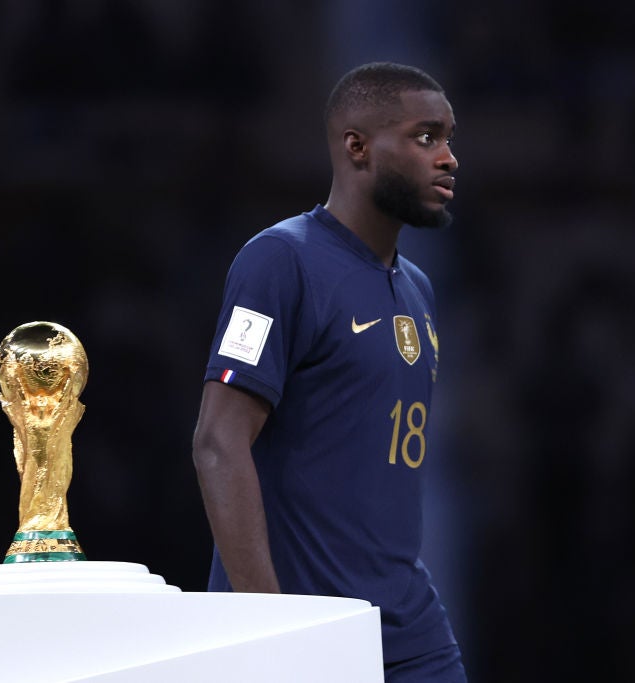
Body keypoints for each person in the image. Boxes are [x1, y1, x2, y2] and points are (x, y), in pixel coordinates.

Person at [192, 62, 466, 682]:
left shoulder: (418, 289)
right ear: (357, 146)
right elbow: (217, 442)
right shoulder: (279, 262)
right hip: (303, 631)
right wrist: (271, 629)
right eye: (426, 137)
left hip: (411, 631)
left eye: (449, 137)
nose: (448, 158)